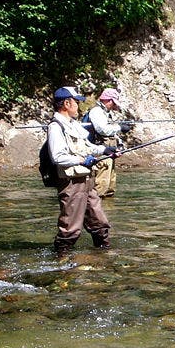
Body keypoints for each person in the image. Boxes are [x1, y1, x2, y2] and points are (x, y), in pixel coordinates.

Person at [47, 86, 120, 255]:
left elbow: (87, 146)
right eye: (76, 102)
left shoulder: (73, 124)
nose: (79, 106)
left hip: (87, 181)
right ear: (66, 103)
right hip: (71, 184)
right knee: (70, 229)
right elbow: (57, 157)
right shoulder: (56, 127)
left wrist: (105, 151)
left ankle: (103, 257)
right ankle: (61, 262)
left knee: (99, 224)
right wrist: (81, 160)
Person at [86, 87, 132, 198]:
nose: (114, 106)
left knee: (110, 187)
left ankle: (109, 210)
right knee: (101, 187)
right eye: (113, 102)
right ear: (108, 100)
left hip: (110, 152)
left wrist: (119, 143)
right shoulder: (96, 111)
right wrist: (120, 127)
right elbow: (103, 130)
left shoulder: (105, 113)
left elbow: (110, 130)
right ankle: (96, 211)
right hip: (102, 151)